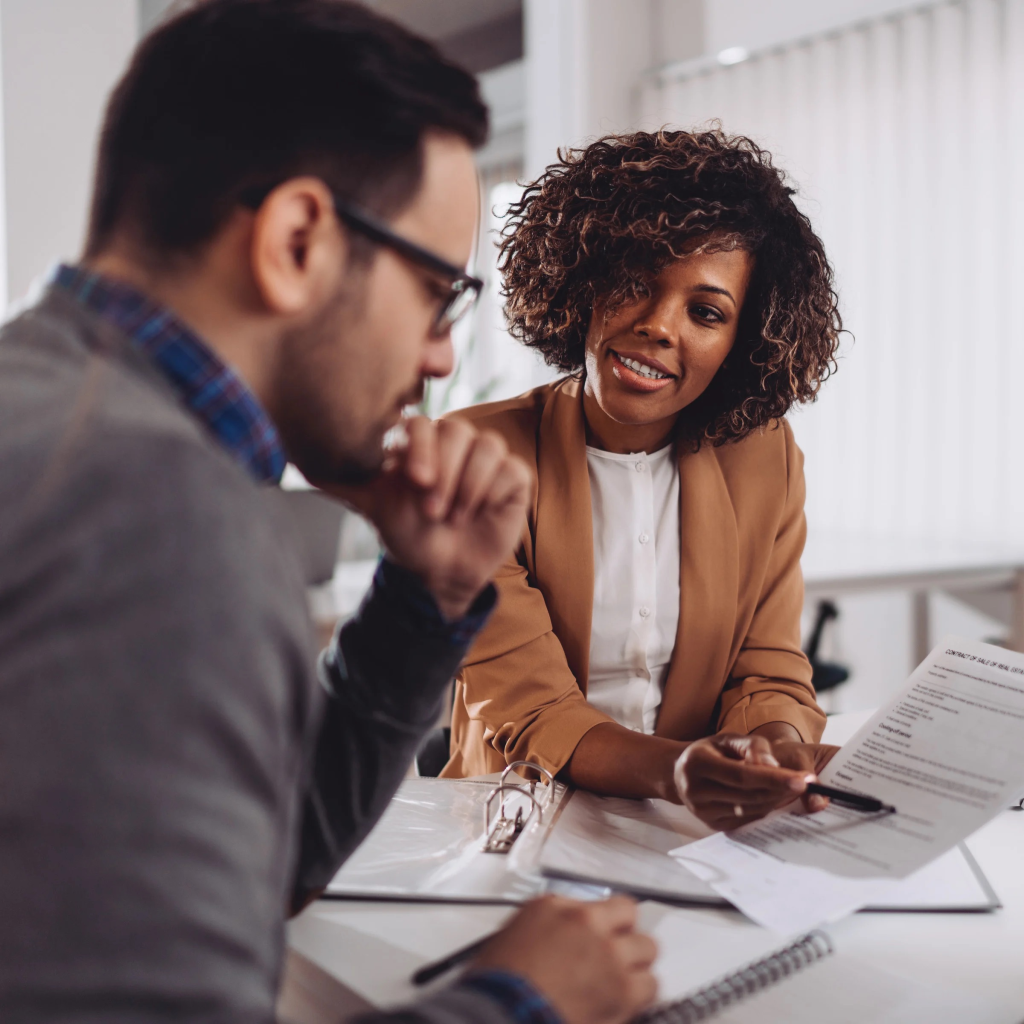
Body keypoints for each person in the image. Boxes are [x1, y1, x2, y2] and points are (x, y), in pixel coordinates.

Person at [0, 2, 657, 1022]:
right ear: (297, 239)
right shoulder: (161, 515)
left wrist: (424, 598)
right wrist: (525, 999)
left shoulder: (46, 409)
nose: (442, 355)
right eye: (439, 292)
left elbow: (244, 866)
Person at [441, 130, 844, 831]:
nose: (659, 326)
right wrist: (680, 771)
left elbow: (768, 668)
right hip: (511, 821)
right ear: (586, 277)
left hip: (687, 832)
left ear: (743, 340)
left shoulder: (765, 458)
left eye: (706, 312)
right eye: (637, 281)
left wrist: (774, 756)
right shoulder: (473, 454)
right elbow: (530, 709)